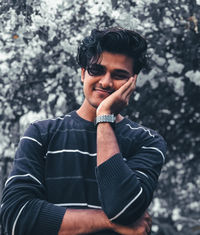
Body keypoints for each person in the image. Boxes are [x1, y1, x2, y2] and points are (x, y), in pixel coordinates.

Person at [0, 27, 167, 235]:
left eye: (119, 75)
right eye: (97, 70)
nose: (105, 82)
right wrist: (110, 222)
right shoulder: (41, 134)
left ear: (133, 82)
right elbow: (16, 219)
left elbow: (123, 208)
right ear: (82, 73)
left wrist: (104, 117)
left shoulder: (147, 141)